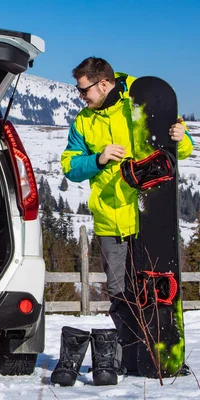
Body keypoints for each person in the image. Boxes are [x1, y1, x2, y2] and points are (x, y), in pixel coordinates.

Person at [59, 57, 193, 378]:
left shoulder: (141, 100)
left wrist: (180, 137)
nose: (82, 97)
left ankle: (162, 354)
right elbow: (70, 166)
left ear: (103, 83)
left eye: (84, 90)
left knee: (155, 290)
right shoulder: (83, 122)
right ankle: (130, 355)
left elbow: (177, 151)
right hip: (109, 219)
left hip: (150, 217)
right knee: (120, 294)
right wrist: (98, 158)